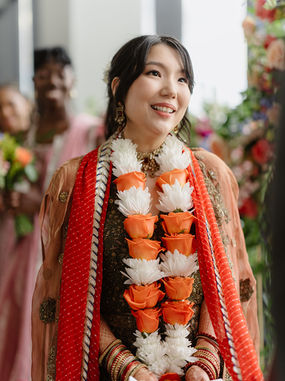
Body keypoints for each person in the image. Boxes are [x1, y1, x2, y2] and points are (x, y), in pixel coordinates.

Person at [32, 36, 262, 381]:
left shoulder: (210, 173)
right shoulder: (76, 181)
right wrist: (127, 367)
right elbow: (69, 296)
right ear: (119, 87)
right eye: (155, 73)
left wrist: (205, 361)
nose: (172, 89)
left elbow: (226, 279)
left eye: (183, 79)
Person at [0, 84, 42, 381]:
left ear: (27, 103)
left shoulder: (45, 139)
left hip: (37, 238)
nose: (5, 113)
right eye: (0, 108)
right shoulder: (6, 146)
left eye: (11, 104)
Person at [33, 46, 105, 189]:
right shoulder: (25, 133)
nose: (52, 82)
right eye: (43, 75)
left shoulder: (91, 130)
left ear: (72, 81)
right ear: (34, 81)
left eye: (60, 75)